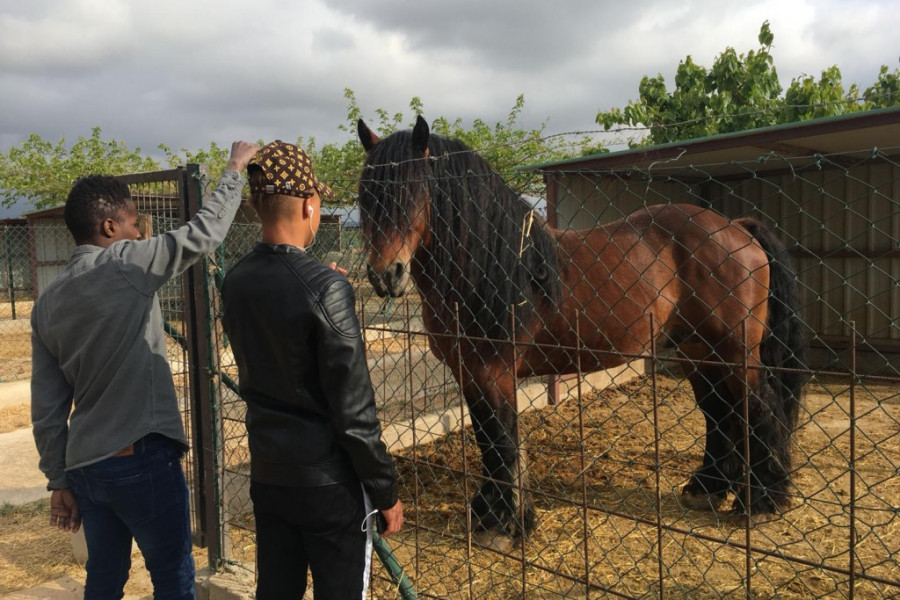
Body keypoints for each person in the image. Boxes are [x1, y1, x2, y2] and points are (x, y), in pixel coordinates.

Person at [30, 140, 260, 600]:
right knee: (174, 578)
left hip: (87, 469)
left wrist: (59, 479)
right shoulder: (127, 264)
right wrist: (234, 169)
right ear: (110, 225)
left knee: (105, 578)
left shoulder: (47, 303)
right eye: (135, 223)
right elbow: (205, 234)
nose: (139, 234)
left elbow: (47, 407)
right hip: (140, 457)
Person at [220, 140, 403, 599]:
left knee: (276, 590)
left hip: (269, 473)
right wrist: (386, 490)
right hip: (329, 486)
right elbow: (354, 411)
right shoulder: (325, 289)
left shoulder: (237, 280)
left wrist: (326, 285)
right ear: (308, 205)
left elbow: (278, 331)